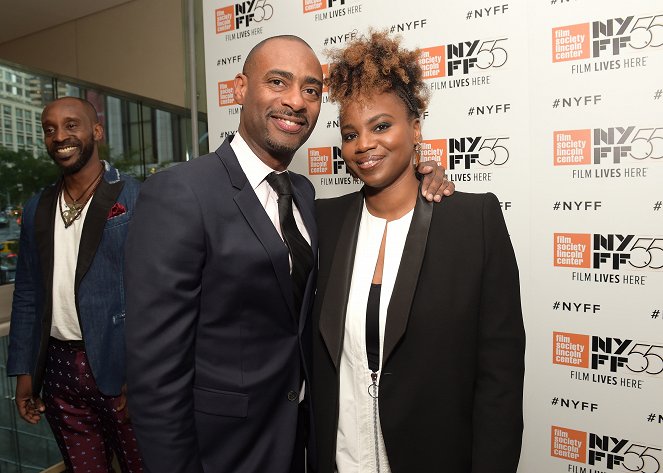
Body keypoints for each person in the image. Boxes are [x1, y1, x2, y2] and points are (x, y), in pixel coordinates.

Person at [123, 35, 453, 473]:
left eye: (312, 90)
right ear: (240, 89)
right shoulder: (181, 191)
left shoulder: (304, 194)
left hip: (302, 441)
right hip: (221, 450)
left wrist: (421, 175)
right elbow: (155, 374)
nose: (296, 101)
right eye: (278, 82)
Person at [311, 31, 526, 473]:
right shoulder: (323, 223)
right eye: (350, 133)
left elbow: (500, 379)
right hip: (342, 460)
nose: (364, 145)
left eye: (381, 126)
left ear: (416, 128)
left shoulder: (472, 221)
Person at [7, 97, 144, 472]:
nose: (59, 136)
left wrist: (145, 370)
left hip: (121, 366)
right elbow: (28, 294)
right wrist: (24, 372)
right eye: (49, 129)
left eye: (71, 125)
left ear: (96, 131)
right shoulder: (37, 206)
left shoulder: (137, 197)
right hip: (59, 369)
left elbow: (155, 293)